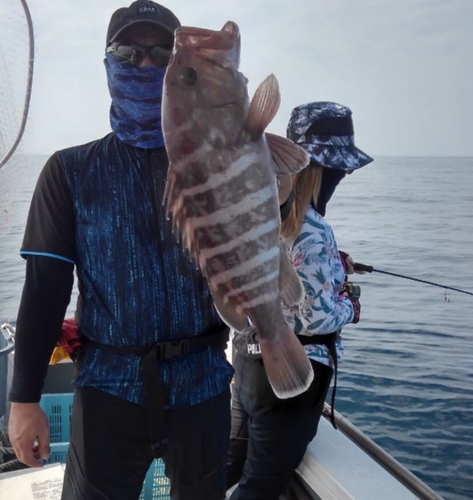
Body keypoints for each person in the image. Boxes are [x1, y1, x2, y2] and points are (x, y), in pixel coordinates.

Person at [7, 2, 234, 499]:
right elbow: (45, 292)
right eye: (129, 52)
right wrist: (23, 399)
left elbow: (259, 238)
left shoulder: (219, 167)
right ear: (108, 64)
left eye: (162, 53)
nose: (146, 64)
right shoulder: (69, 171)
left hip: (204, 384)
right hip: (109, 390)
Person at [226, 101, 373, 499]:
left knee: (223, 471)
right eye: (338, 170)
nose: (341, 177)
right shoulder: (314, 229)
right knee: (259, 486)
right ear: (320, 171)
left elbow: (282, 272)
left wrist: (335, 266)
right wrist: (351, 307)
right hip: (290, 375)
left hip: (247, 365)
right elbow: (314, 317)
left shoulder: (261, 214)